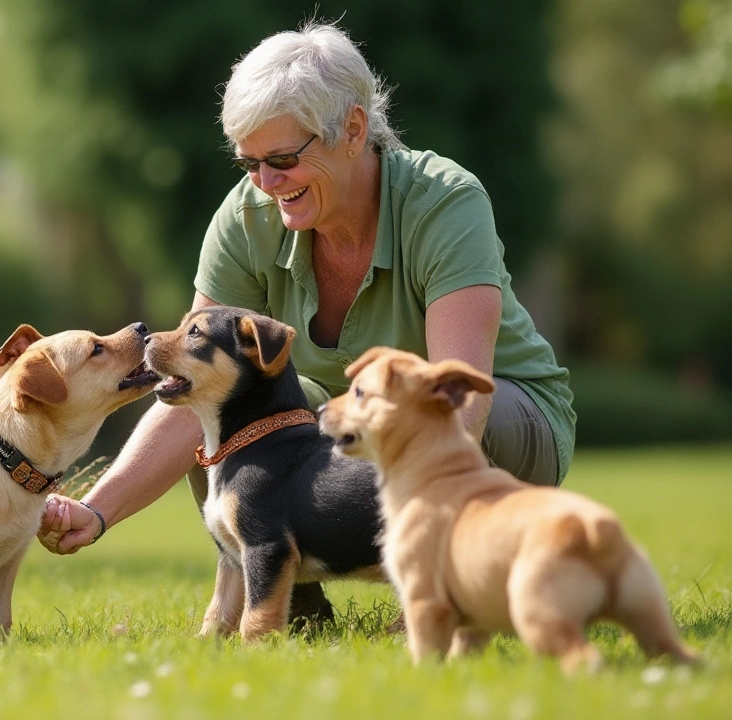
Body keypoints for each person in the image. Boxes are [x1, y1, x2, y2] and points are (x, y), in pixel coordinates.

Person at [37, 21, 576, 622]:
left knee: (421, 411)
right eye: (249, 164)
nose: (266, 184)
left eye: (284, 159)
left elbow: (460, 404)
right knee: (216, 405)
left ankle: (448, 583)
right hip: (345, 413)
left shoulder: (446, 202)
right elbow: (187, 373)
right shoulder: (245, 217)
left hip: (505, 414)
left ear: (353, 129)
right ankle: (292, 598)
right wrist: (98, 509)